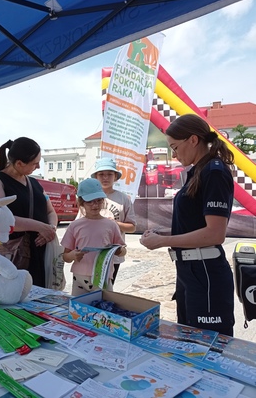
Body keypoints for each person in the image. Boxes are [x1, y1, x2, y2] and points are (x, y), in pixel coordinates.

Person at [140, 114, 235, 336]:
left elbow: (214, 234)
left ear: (193, 140)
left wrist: (163, 241)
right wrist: (160, 233)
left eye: (175, 147)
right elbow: (194, 224)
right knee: (188, 342)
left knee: (208, 347)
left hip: (205, 272)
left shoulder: (214, 172)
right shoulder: (198, 172)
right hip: (190, 271)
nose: (174, 155)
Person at [0, 137, 57, 287]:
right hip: (15, 253)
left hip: (39, 252)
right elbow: (1, 219)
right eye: (35, 163)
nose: (39, 166)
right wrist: (40, 227)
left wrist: (50, 229)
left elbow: (51, 212)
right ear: (19, 163)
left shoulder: (35, 183)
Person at [61, 178, 126, 296]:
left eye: (98, 200)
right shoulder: (75, 226)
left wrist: (119, 250)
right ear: (81, 203)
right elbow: (65, 256)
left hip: (103, 276)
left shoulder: (111, 225)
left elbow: (122, 251)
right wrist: (72, 255)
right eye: (90, 201)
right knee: (79, 310)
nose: (95, 205)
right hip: (80, 276)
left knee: (104, 311)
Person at [88, 157, 136, 285]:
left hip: (113, 255)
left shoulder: (123, 199)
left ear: (115, 177)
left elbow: (132, 227)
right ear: (96, 177)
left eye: (109, 174)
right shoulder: (88, 197)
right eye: (101, 174)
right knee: (88, 290)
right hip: (90, 254)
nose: (105, 178)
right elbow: (78, 224)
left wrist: (116, 224)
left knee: (106, 290)